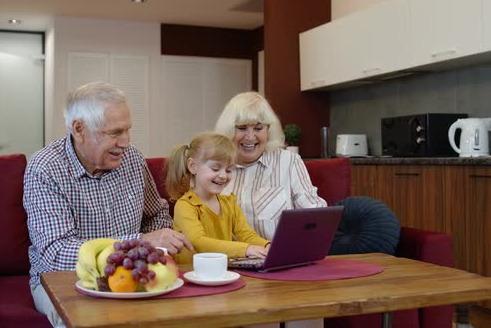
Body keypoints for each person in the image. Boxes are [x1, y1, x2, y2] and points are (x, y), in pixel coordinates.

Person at [23, 82, 193, 327]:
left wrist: (155, 248)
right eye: (114, 133)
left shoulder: (132, 159)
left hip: (131, 274)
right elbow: (56, 253)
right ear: (79, 129)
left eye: (127, 130)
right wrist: (139, 243)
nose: (125, 142)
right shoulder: (45, 168)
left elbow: (157, 214)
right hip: (67, 280)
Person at [215, 92, 326, 328]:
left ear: (269, 130)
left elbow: (315, 215)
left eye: (258, 127)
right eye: (242, 128)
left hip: (291, 270)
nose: (250, 137)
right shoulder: (216, 168)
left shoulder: (289, 162)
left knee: (307, 315)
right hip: (237, 272)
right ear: (228, 131)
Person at [166, 131, 270, 264]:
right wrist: (246, 249)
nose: (223, 176)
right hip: (191, 273)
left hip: (221, 271)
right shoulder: (185, 205)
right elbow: (199, 242)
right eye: (215, 169)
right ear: (193, 167)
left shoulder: (229, 203)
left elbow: (246, 234)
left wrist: (267, 246)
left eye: (228, 170)